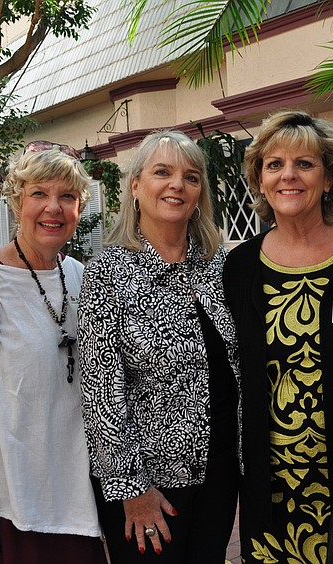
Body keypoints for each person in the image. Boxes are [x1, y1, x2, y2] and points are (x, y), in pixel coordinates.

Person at [222, 110, 333, 562]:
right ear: (260, 180)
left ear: (330, 178)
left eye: (305, 163)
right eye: (274, 164)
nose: (288, 175)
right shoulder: (237, 268)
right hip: (268, 480)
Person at [0, 143, 105, 564]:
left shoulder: (81, 276)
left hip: (78, 502)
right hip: (13, 507)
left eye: (68, 197)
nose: (54, 208)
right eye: (39, 194)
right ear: (16, 202)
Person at [79, 130, 241, 562]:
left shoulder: (221, 265)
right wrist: (131, 488)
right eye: (162, 173)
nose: (177, 185)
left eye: (191, 177)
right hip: (149, 483)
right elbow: (100, 394)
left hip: (219, 472)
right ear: (135, 186)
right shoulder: (108, 273)